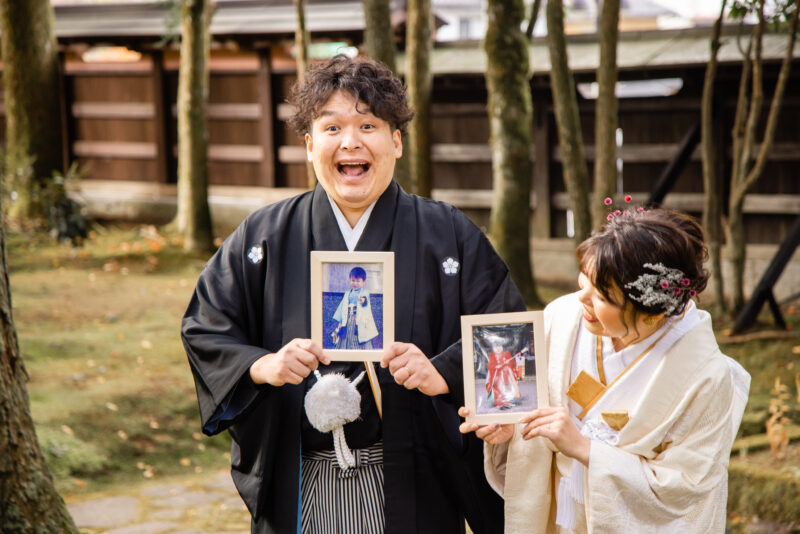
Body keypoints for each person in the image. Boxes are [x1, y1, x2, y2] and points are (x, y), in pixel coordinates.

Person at [181, 54, 524, 534]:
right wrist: (265, 366)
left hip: (415, 480)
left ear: (396, 142)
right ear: (308, 145)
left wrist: (442, 372)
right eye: (331, 128)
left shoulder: (448, 234)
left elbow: (507, 340)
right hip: (303, 479)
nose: (350, 142)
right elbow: (205, 326)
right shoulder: (264, 235)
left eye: (368, 125)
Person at [460, 207, 750, 533]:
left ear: (653, 314)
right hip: (555, 514)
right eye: (584, 280)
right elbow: (522, 405)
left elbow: (683, 487)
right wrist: (510, 431)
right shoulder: (562, 317)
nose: (581, 298)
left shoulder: (705, 375)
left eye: (600, 295)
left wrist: (585, 449)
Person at [331, 266, 379, 349]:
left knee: (358, 335)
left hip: (359, 320)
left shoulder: (365, 293)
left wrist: (362, 300)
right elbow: (342, 308)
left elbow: (365, 304)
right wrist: (341, 321)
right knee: (346, 335)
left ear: (364, 282)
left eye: (358, 281)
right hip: (348, 318)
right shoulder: (347, 293)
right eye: (353, 280)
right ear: (350, 280)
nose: (355, 283)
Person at [485, 337, 520, 410]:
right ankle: (500, 401)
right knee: (498, 387)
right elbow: (490, 365)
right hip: (496, 375)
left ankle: (508, 401)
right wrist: (496, 366)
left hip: (506, 375)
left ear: (502, 347)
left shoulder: (506, 354)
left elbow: (512, 362)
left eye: (500, 346)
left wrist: (508, 362)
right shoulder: (492, 356)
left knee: (507, 388)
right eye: (496, 347)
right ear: (493, 348)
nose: (498, 349)